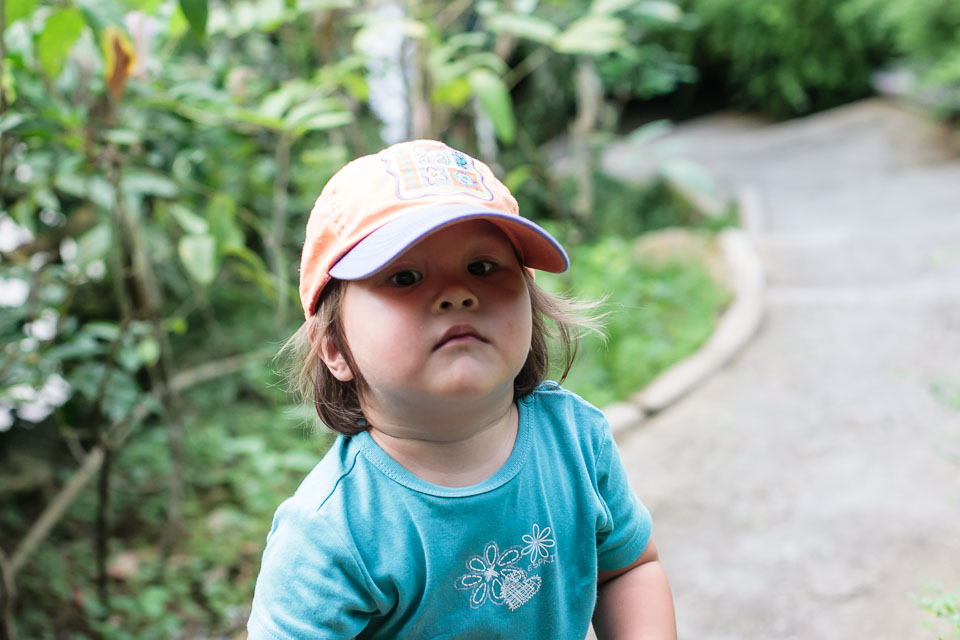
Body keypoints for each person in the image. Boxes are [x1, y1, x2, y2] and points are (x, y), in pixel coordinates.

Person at [247, 139, 676, 639]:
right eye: (404, 276)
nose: (458, 293)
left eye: (482, 267)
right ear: (334, 348)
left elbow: (627, 568)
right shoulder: (331, 534)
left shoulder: (576, 442)